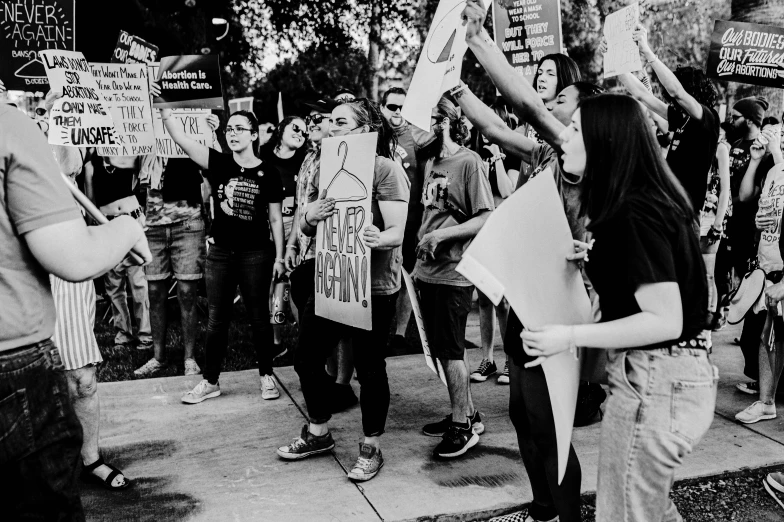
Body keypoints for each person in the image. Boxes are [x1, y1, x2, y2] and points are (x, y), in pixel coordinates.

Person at [519, 91, 717, 522]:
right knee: (649, 509)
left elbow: (665, 319)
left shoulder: (632, 212)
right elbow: (653, 280)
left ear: (603, 140)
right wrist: (593, 256)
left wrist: (567, 336)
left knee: (624, 514)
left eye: (574, 129)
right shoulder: (643, 199)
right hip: (673, 378)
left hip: (656, 380)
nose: (564, 138)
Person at [460, 3, 602, 519]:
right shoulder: (548, 155)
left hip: (559, 304)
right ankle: (541, 508)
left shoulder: (580, 158)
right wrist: (455, 91)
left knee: (549, 421)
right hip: (525, 298)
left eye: (563, 95)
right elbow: (500, 129)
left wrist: (479, 44)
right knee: (522, 412)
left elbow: (529, 111)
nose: (553, 101)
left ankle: (566, 516)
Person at [0, 98, 151, 520]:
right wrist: (126, 226)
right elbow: (74, 257)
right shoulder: (12, 124)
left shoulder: (32, 132)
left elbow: (70, 176)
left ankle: (90, 458)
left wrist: (51, 123)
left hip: (51, 281)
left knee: (81, 377)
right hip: (16, 340)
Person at [277, 98, 409, 483]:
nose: (330, 128)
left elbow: (397, 233)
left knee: (369, 368)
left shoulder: (385, 169)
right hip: (331, 277)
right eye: (329, 122)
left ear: (364, 129)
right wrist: (307, 217)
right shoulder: (326, 168)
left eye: (340, 122)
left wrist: (378, 236)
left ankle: (371, 447)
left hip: (374, 284)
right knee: (305, 359)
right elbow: (307, 226)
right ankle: (318, 432)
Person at [35, 92, 132, 491]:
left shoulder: (63, 142)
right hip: (22, 272)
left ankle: (90, 459)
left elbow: (65, 163)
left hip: (68, 266)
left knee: (83, 378)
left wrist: (56, 111)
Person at [157, 106, 286, 404]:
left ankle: (266, 375)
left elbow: (276, 219)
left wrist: (280, 257)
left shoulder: (269, 172)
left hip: (256, 254)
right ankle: (210, 381)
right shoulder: (219, 163)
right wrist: (165, 113)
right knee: (216, 320)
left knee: (258, 319)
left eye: (240, 129)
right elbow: (181, 139)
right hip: (220, 254)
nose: (233, 134)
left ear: (254, 135)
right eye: (229, 129)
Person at [417, 96, 495, 459]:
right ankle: (466, 412)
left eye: (426, 122)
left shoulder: (469, 162)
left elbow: (484, 217)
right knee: (441, 352)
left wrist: (441, 237)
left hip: (453, 273)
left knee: (451, 352)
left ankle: (462, 427)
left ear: (443, 121)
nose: (419, 131)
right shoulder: (431, 161)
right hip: (427, 272)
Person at [284, 98, 358, 412]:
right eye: (311, 115)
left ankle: (341, 386)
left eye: (321, 117)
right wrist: (291, 244)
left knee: (336, 324)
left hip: (330, 253)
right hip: (305, 249)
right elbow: (304, 206)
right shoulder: (309, 157)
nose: (313, 121)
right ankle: (327, 380)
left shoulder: (342, 158)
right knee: (315, 324)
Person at [135, 113, 219, 377]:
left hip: (188, 221)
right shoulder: (145, 124)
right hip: (153, 223)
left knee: (187, 292)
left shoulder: (193, 122)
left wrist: (212, 132)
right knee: (155, 292)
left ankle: (190, 358)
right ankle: (158, 357)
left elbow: (216, 162)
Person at [605, 24, 720, 217]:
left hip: (685, 213)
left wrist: (647, 51)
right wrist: (612, 58)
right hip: (667, 208)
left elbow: (677, 92)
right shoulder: (681, 118)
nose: (668, 93)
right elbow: (643, 96)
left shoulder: (707, 117)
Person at [735, 120, 784, 423]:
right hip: (769, 266)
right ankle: (766, 402)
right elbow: (759, 208)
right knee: (771, 337)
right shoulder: (775, 172)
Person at [380, 86, 434, 355]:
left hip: (412, 219)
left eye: (403, 107)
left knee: (406, 276)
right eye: (392, 107)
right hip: (381, 221)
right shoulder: (374, 136)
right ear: (382, 108)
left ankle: (400, 333)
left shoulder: (417, 138)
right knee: (381, 275)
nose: (398, 112)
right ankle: (379, 328)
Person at [727, 100, 776, 396]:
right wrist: (756, 159)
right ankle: (765, 384)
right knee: (753, 331)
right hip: (762, 254)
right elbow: (744, 196)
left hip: (777, 260)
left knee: (766, 331)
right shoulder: (768, 166)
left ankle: (770, 389)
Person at [85, 153, 153, 353]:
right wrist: (91, 233)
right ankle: (123, 334)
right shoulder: (92, 164)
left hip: (132, 220)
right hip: (106, 222)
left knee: (138, 280)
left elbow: (146, 182)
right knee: (114, 284)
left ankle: (145, 334)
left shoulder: (131, 155)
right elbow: (90, 201)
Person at [261, 115, 309, 349]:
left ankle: (305, 340)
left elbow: (302, 204)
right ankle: (275, 340)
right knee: (271, 283)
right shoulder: (261, 156)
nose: (301, 133)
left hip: (294, 227)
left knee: (292, 282)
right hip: (264, 227)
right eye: (296, 128)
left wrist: (292, 241)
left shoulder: (305, 161)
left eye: (304, 132)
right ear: (281, 128)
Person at [471, 130, 514, 385]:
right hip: (480, 230)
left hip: (503, 229)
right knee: (484, 300)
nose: (488, 135)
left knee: (503, 301)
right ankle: (488, 359)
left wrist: (498, 156)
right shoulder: (474, 156)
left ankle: (509, 360)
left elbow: (507, 190)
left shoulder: (511, 156)